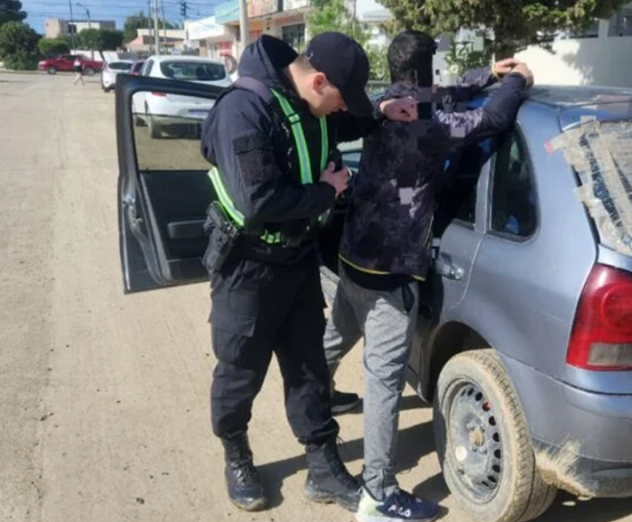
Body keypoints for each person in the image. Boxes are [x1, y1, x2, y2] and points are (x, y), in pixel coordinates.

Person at [199, 32, 417, 513]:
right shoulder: (243, 111)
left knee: (309, 369)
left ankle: (323, 467)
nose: (341, 110)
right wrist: (326, 191)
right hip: (247, 268)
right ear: (318, 81)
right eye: (339, 98)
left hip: (296, 263)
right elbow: (256, 201)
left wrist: (381, 110)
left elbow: (346, 122)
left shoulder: (309, 105)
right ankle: (236, 455)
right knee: (240, 371)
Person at [323, 30, 533, 522]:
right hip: (391, 273)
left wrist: (487, 74)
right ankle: (377, 493)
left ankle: (311, 404)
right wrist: (517, 82)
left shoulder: (386, 104)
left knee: (335, 337)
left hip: (353, 256)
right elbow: (491, 119)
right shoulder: (429, 124)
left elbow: (442, 94)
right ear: (427, 68)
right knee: (383, 382)